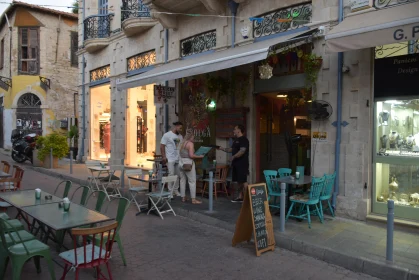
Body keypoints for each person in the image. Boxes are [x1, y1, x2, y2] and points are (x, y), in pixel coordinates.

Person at [218, 124, 249, 203]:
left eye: (235, 129)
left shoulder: (244, 140)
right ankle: (240, 197)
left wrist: (233, 157)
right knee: (239, 181)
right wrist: (222, 148)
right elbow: (231, 149)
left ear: (239, 130)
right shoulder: (236, 140)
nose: (233, 131)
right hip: (236, 164)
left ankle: (249, 199)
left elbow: (242, 151)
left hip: (242, 164)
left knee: (243, 180)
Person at [179, 132, 204, 204]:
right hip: (188, 163)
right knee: (192, 181)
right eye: (193, 137)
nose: (194, 139)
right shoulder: (190, 144)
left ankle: (183, 197)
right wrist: (200, 156)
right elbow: (191, 155)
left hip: (181, 163)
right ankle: (193, 199)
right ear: (190, 137)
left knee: (182, 180)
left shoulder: (182, 143)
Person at [160, 121, 183, 196]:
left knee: (177, 175)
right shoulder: (167, 135)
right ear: (176, 126)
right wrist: (164, 156)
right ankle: (170, 191)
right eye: (180, 128)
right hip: (170, 158)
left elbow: (180, 147)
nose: (181, 130)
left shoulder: (180, 136)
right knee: (171, 174)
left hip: (178, 158)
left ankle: (175, 190)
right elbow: (162, 146)